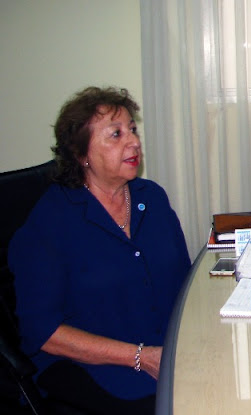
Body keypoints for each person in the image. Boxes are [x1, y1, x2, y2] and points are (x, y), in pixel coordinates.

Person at [9, 86, 192, 413]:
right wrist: (141, 357)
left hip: (164, 351)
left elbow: (183, 282)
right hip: (94, 364)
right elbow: (43, 333)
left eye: (132, 130)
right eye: (116, 134)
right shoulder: (49, 223)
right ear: (81, 154)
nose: (133, 142)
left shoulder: (152, 198)